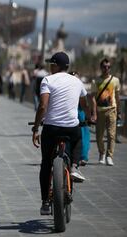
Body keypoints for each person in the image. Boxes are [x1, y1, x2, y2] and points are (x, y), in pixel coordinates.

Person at [31, 52, 91, 215]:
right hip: (71, 128)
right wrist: (90, 117)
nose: (50, 66)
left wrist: (36, 128)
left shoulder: (48, 80)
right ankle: (74, 166)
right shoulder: (77, 81)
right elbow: (85, 103)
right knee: (78, 138)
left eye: (52, 64)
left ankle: (44, 202)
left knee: (45, 164)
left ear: (57, 66)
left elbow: (43, 107)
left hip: (51, 129)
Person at [91, 58, 121, 166]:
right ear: (101, 67)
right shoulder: (96, 81)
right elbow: (93, 98)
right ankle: (102, 153)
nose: (106, 69)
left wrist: (119, 111)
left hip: (112, 110)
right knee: (99, 136)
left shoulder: (115, 80)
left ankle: (109, 156)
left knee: (111, 135)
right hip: (100, 111)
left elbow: (117, 97)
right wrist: (93, 113)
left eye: (108, 67)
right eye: (104, 66)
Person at [69, 71, 91, 166]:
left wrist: (88, 116)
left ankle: (83, 157)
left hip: (80, 113)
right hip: (73, 113)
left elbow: (85, 104)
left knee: (83, 135)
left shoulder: (79, 86)